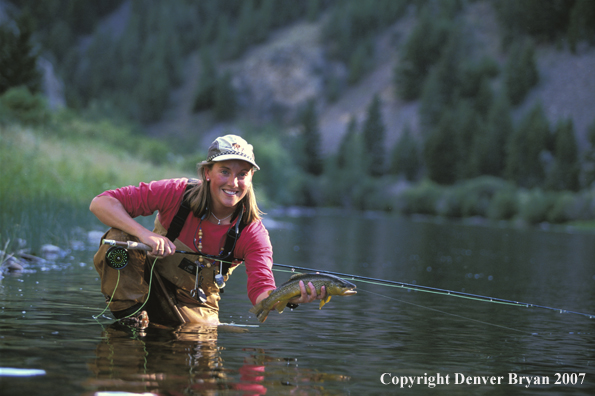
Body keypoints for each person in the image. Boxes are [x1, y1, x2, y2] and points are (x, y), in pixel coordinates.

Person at [90, 134, 325, 327]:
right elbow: (101, 203)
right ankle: (129, 324)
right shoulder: (176, 193)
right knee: (118, 240)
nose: (233, 182)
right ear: (207, 173)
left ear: (251, 179)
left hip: (196, 306)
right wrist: (144, 234)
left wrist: (292, 297)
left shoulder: (254, 233)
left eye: (242, 174)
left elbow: (261, 292)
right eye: (225, 171)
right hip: (148, 281)